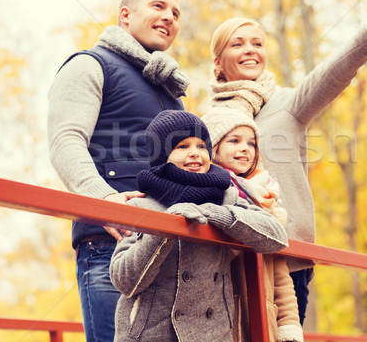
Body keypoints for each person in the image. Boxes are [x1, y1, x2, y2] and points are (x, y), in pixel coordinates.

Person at [208, 0, 367, 324]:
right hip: (225, 259)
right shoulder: (205, 121)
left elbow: (334, 72)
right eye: (238, 43)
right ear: (218, 62)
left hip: (288, 257)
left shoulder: (288, 104)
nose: (250, 50)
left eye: (257, 43)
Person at [47, 0, 188, 341]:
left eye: (176, 13)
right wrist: (104, 199)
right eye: (159, 6)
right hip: (111, 245)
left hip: (169, 247)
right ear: (125, 15)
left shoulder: (172, 92)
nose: (169, 17)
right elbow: (66, 141)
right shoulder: (89, 64)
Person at [109, 110, 289, 342]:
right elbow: (125, 281)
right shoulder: (141, 204)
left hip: (215, 333)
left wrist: (216, 214)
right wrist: (168, 226)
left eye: (201, 146)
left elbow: (276, 236)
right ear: (162, 155)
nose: (195, 153)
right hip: (152, 334)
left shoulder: (227, 197)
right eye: (182, 146)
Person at [202, 106, 304, 342]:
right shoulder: (207, 193)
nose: (244, 149)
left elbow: (280, 272)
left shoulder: (267, 200)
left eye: (251, 143)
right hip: (221, 319)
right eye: (234, 140)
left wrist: (288, 324)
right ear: (212, 148)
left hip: (261, 317)